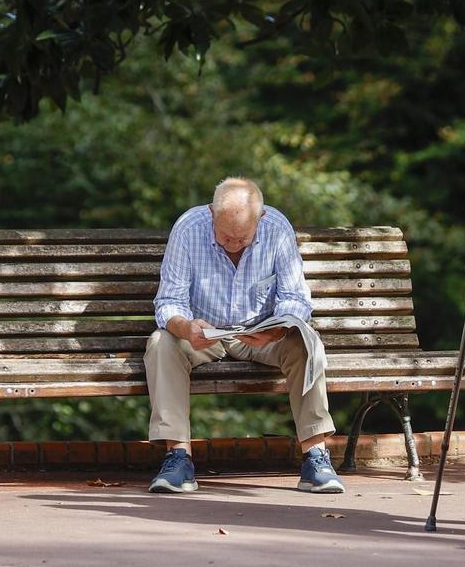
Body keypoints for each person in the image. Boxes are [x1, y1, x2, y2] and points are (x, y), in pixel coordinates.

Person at [144, 177, 343, 494]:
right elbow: (169, 302)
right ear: (212, 214)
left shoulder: (276, 227)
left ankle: (315, 456)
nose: (233, 244)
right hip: (205, 335)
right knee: (161, 343)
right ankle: (178, 458)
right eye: (225, 236)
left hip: (263, 333)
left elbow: (296, 299)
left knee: (307, 342)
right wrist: (187, 328)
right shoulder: (187, 228)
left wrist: (277, 328)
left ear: (260, 220)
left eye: (242, 238)